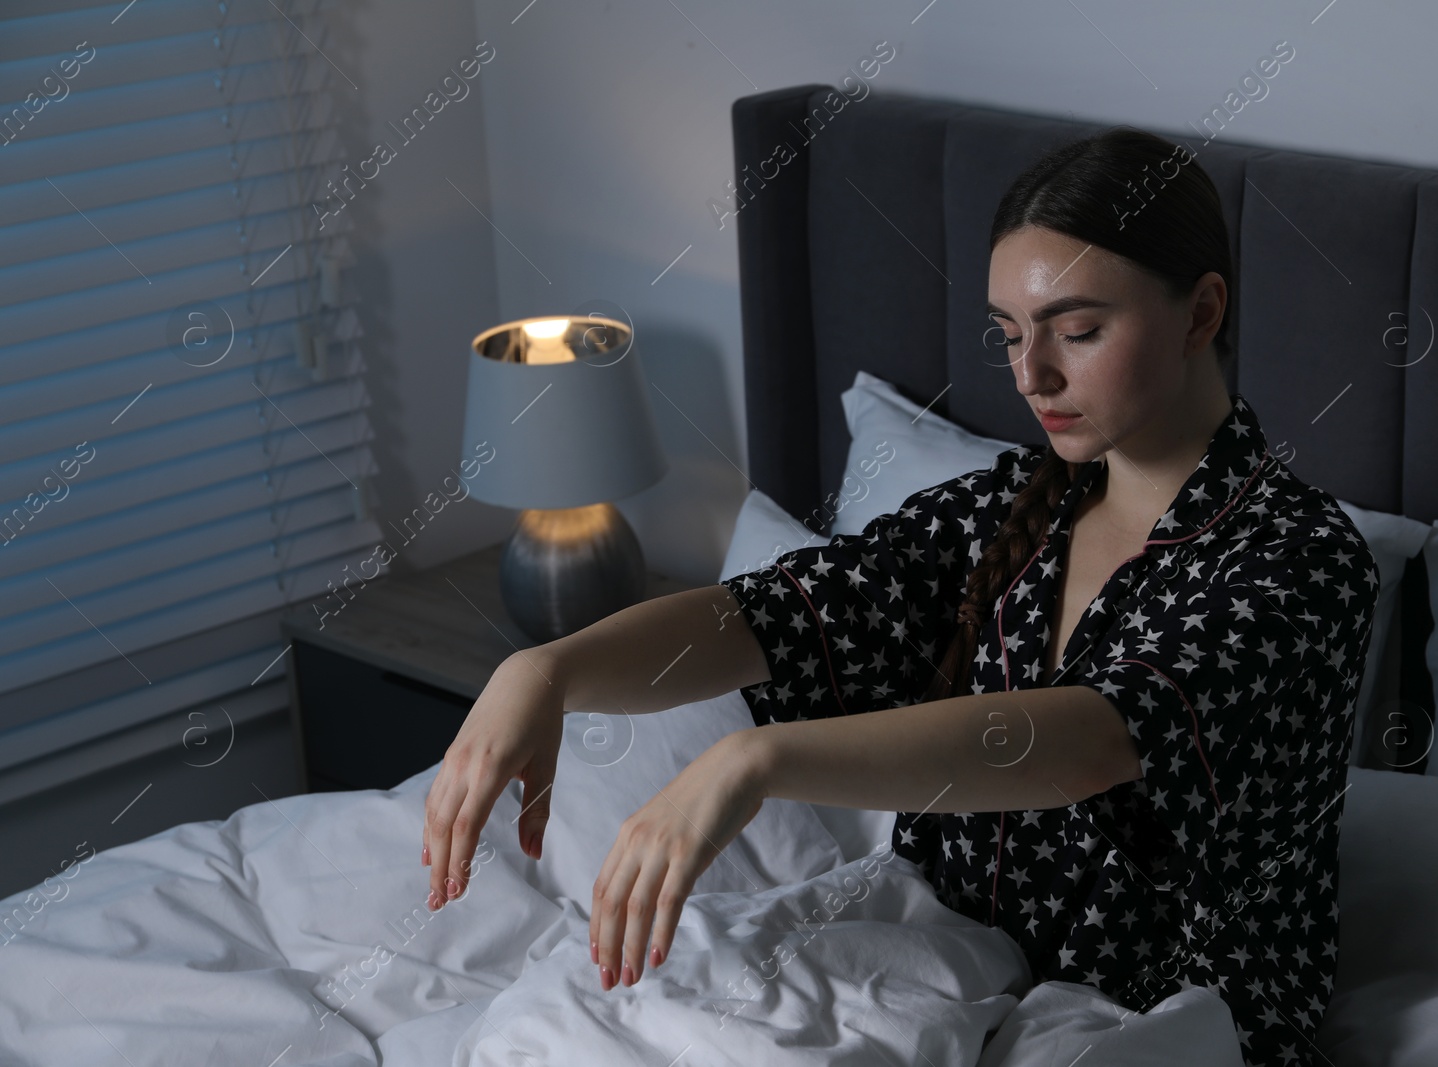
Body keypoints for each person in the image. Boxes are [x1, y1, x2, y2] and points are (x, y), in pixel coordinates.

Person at [421, 126, 1379, 1067]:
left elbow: (1094, 737)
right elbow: (787, 610)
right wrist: (548, 667)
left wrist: (756, 759)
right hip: (945, 949)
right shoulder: (1007, 505)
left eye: (1079, 331)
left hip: (1161, 1001)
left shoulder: (1304, 562)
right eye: (1010, 334)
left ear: (1201, 312)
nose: (1032, 374)